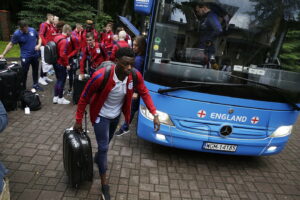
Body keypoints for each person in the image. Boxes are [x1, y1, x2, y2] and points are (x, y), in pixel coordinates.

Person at [74, 47, 160, 200]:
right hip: (100, 115)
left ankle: (98, 158)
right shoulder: (101, 76)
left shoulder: (134, 75)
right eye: (125, 64)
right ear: (116, 61)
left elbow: (144, 92)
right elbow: (84, 97)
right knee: (104, 147)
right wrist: (78, 120)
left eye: (131, 65)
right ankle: (104, 185)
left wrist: (155, 114)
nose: (129, 68)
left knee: (106, 144)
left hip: (115, 117)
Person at [115, 36, 146, 136]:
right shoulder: (139, 57)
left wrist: (136, 91)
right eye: (133, 44)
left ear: (141, 46)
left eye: (136, 45)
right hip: (135, 88)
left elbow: (136, 77)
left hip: (135, 89)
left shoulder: (138, 60)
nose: (134, 47)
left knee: (131, 108)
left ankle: (125, 127)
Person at [0, 20, 43, 91]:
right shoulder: (17, 34)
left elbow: (39, 38)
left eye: (24, 29)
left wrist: (39, 45)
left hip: (35, 55)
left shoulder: (32, 30)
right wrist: (3, 54)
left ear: (27, 26)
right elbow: (11, 44)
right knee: (24, 72)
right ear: (20, 28)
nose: (23, 30)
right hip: (25, 56)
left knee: (35, 70)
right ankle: (23, 87)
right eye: (21, 29)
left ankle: (36, 84)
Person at [52, 24, 72, 105]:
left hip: (55, 62)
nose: (71, 33)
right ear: (67, 31)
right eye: (70, 31)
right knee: (62, 81)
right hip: (61, 63)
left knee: (58, 80)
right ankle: (60, 98)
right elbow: (62, 54)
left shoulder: (57, 37)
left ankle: (55, 97)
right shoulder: (64, 41)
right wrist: (67, 64)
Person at [39, 13, 55, 85]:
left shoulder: (51, 25)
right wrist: (46, 45)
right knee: (44, 62)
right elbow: (41, 35)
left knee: (48, 62)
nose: (53, 19)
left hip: (49, 47)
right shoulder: (43, 25)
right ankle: (41, 78)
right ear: (48, 17)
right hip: (45, 46)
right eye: (52, 18)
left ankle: (45, 77)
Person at [67, 25, 81, 94]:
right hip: (68, 57)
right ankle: (70, 87)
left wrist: (70, 55)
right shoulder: (68, 37)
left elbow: (76, 48)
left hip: (73, 57)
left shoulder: (73, 37)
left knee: (73, 71)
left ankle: (72, 87)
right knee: (70, 73)